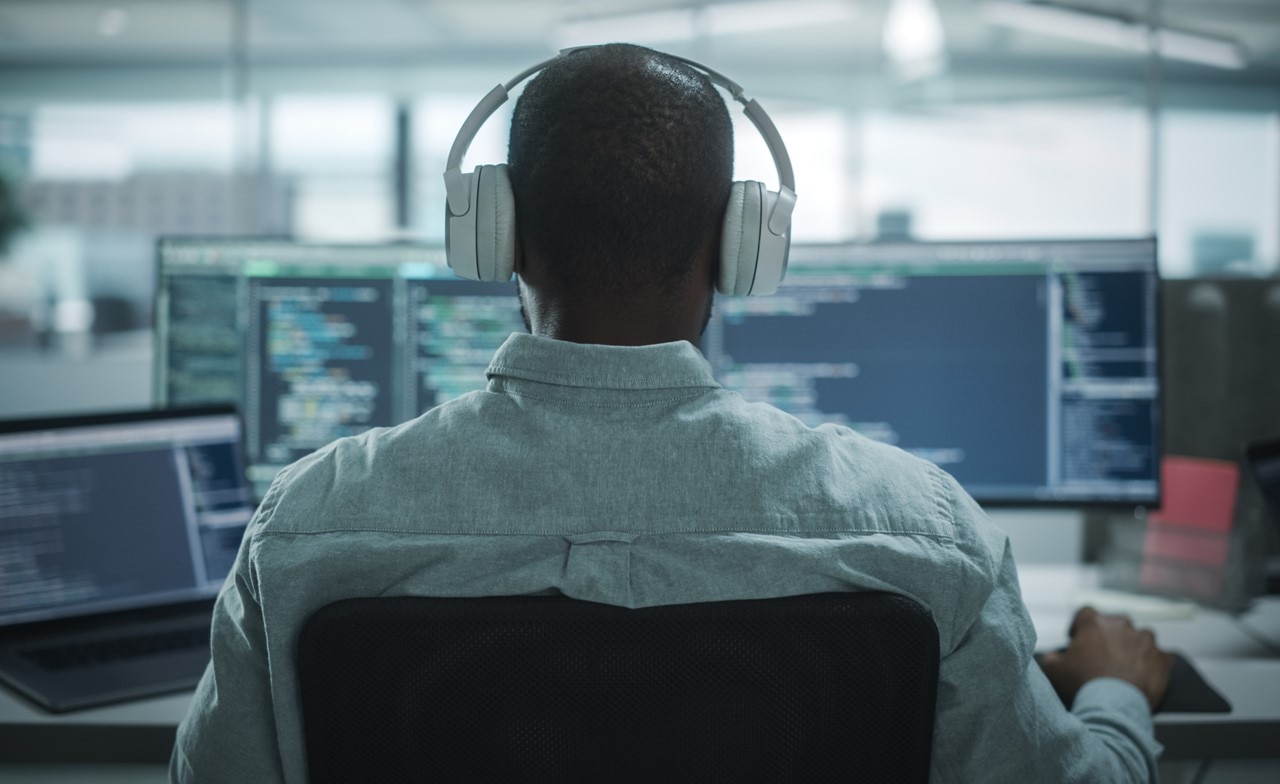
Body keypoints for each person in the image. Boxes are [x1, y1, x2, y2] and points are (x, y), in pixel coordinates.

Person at [170, 43, 1172, 783]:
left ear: (500, 235)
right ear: (737, 247)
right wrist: (1116, 691)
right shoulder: (923, 534)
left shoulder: (306, 529)